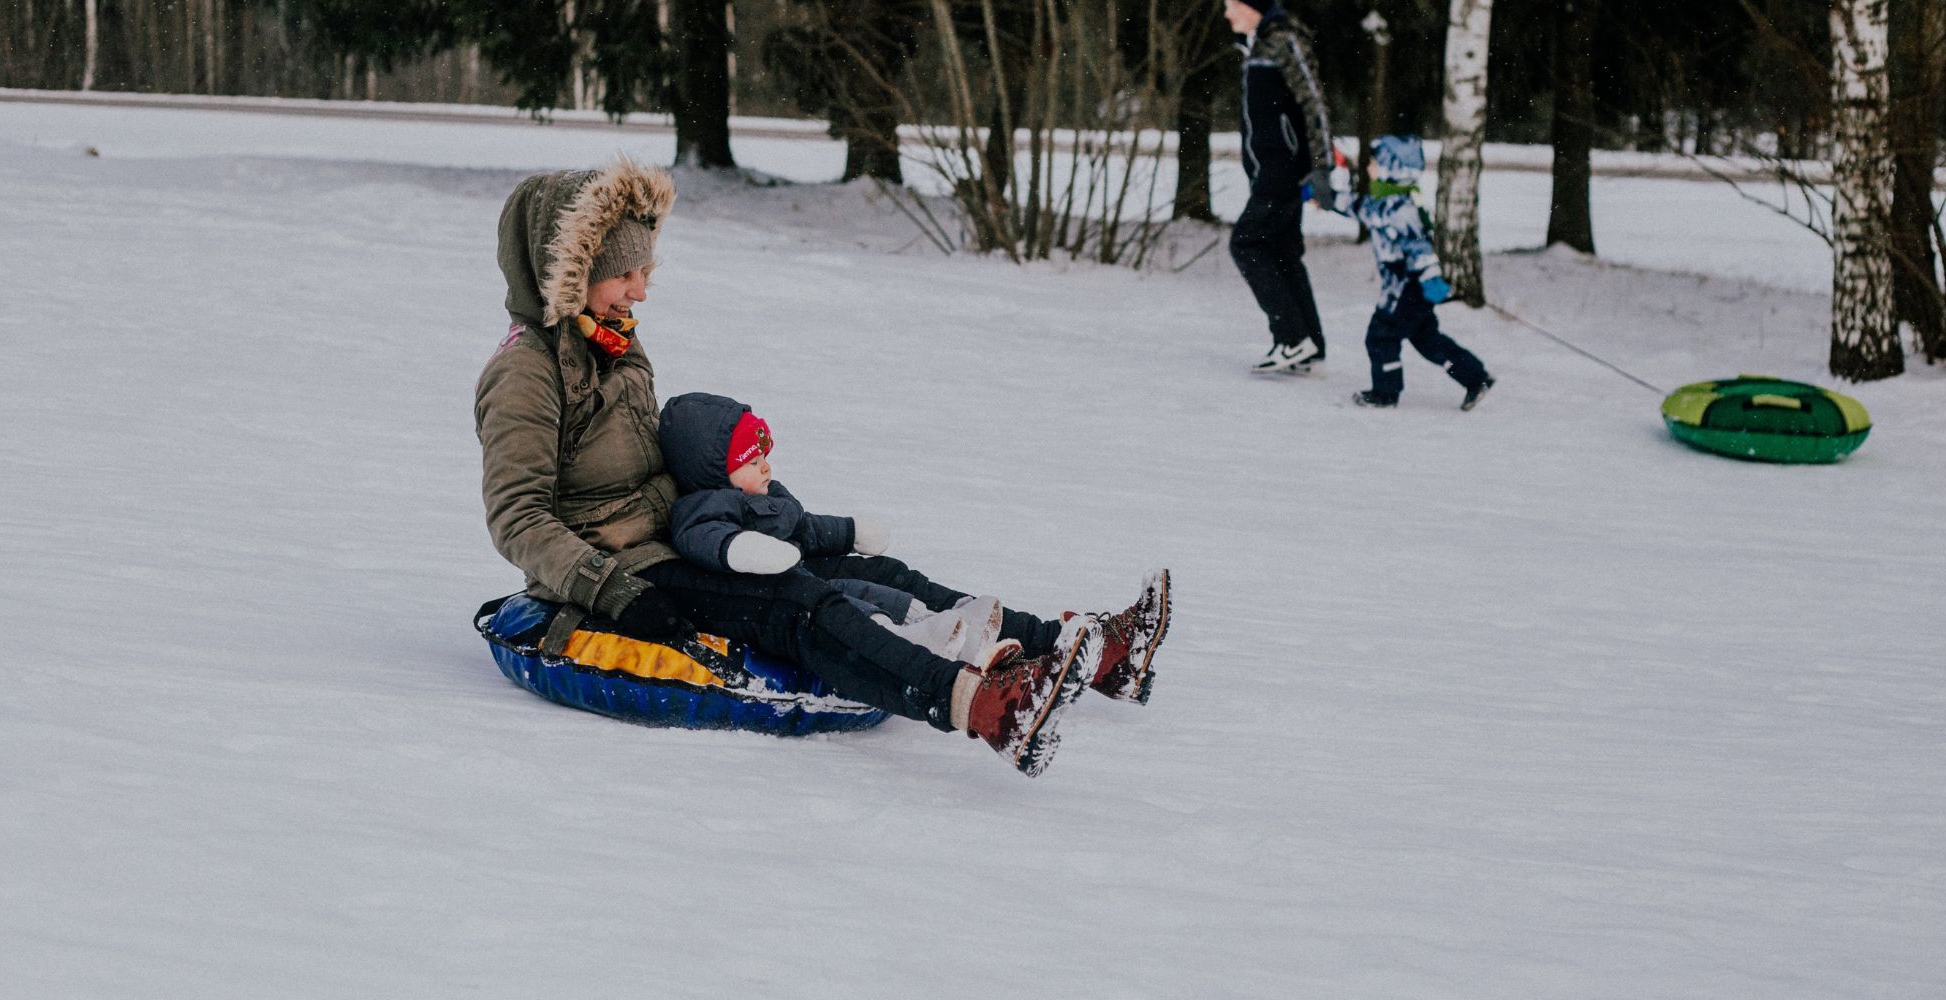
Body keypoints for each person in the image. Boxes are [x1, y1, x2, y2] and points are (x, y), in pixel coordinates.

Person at [473, 159, 1172, 777]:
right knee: (800, 604)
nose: (641, 290)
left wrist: (739, 492)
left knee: (875, 574)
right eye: (624, 274)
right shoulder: (526, 374)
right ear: (572, 270)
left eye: (646, 271)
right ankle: (984, 709)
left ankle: (1089, 654)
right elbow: (518, 517)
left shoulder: (618, 345)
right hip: (625, 568)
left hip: (687, 534)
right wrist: (614, 591)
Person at [654, 390, 1004, 664]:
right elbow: (700, 538)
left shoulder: (770, 497)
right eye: (754, 461)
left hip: (803, 579)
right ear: (715, 470)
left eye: (766, 458)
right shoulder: (701, 505)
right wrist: (744, 549)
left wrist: (850, 531)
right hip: (769, 600)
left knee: (865, 587)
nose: (766, 469)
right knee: (844, 602)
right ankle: (908, 642)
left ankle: (948, 631)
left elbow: (805, 527)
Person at [1331, 135, 1496, 410]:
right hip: (1407, 289)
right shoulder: (1386, 201)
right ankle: (1475, 376)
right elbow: (1359, 208)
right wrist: (1325, 198)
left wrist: (1431, 279)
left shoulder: (1401, 209)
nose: (1369, 167)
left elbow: (1420, 248)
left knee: (1381, 335)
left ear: (1391, 168)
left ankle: (1385, 393)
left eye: (1374, 163)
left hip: (1405, 287)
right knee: (1428, 340)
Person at [1224, 0, 1336, 376]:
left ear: (1251, 6)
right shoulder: (1258, 45)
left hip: (1282, 169)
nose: (1227, 15)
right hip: (1270, 168)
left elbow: (1314, 104)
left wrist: (1322, 167)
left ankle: (1291, 338)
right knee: (1283, 251)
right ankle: (1309, 345)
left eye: (1231, 5)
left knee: (1247, 243)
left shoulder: (1284, 41)